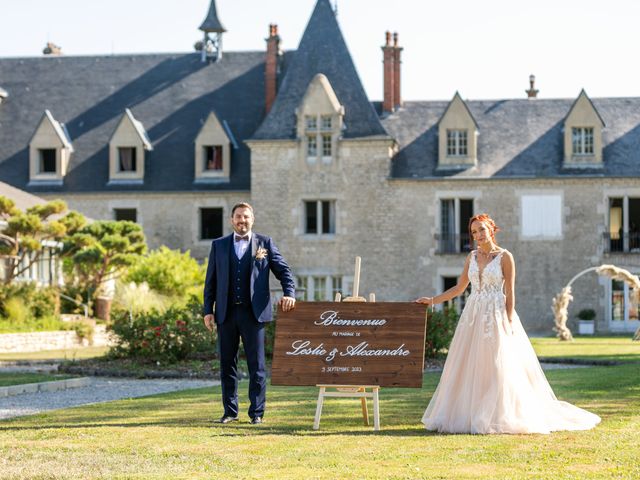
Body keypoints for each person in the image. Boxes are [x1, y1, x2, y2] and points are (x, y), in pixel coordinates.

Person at [416, 213, 600, 434]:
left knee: (497, 364)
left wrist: (509, 320)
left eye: (482, 229)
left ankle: (500, 414)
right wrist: (432, 300)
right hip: (473, 316)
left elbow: (510, 291)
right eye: (474, 232)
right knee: (469, 364)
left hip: (496, 314)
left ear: (491, 230)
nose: (478, 235)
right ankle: (470, 414)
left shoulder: (505, 257)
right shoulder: (471, 257)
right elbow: (459, 288)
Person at [203, 202, 296, 425]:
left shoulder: (265, 243)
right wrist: (208, 310)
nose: (242, 221)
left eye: (246, 217)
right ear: (231, 220)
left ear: (252, 219)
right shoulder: (219, 245)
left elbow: (284, 271)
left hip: (253, 314)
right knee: (227, 365)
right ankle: (230, 411)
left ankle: (256, 413)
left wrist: (289, 293)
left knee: (258, 366)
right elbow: (210, 281)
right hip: (226, 313)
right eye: (238, 217)